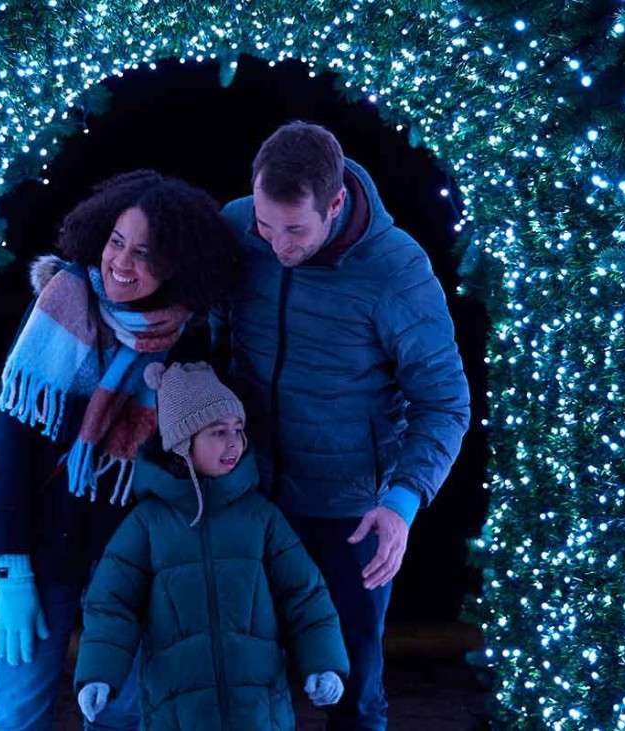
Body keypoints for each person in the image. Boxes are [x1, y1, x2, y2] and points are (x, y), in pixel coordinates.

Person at [218, 122, 471, 729]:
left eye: (295, 229)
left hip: (350, 510)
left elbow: (444, 401)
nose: (277, 243)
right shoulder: (236, 227)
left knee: (353, 687)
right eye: (266, 224)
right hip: (250, 491)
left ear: (334, 204)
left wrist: (403, 503)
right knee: (244, 679)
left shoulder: (396, 271)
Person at [0, 170, 238, 730]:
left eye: (144, 253)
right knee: (17, 717)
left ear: (178, 264)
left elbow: (189, 473)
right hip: (42, 552)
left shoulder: (188, 340)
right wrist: (13, 572)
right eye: (116, 242)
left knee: (123, 718)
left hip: (128, 566)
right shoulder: (57, 308)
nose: (121, 263)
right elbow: (11, 452)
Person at [74, 361, 350, 729]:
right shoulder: (147, 524)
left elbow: (305, 594)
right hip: (178, 714)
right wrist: (99, 674)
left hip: (258, 711)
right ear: (182, 444)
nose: (233, 442)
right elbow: (112, 604)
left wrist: (324, 663)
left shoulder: (262, 519)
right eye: (218, 432)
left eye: (237, 429)